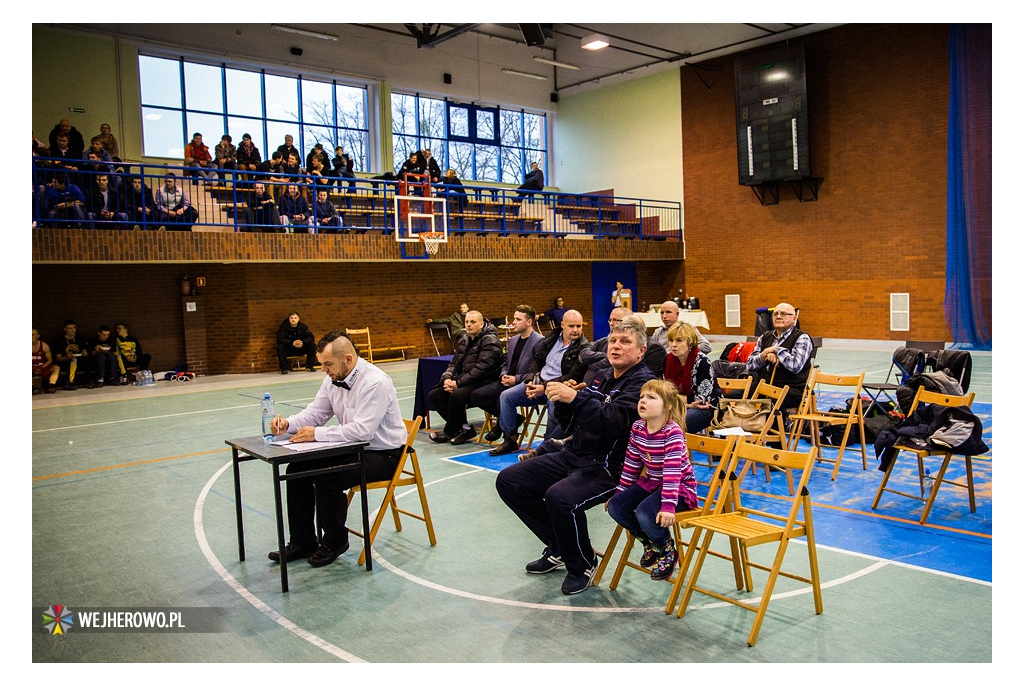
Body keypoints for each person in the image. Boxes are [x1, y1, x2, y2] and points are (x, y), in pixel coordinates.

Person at [494, 319, 655, 595]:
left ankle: (581, 564)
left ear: (641, 351)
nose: (616, 346)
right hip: (575, 455)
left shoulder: (644, 384)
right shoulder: (602, 375)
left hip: (610, 467)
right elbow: (573, 424)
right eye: (613, 340)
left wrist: (576, 399)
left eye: (625, 342)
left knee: (560, 497)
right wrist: (561, 400)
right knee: (510, 480)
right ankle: (559, 546)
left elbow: (615, 422)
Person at [268, 330, 407, 568]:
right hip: (354, 447)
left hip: (384, 454)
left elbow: (363, 432)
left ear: (348, 360)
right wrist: (288, 424)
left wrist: (316, 434)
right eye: (322, 364)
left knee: (328, 476)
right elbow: (317, 413)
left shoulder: (375, 382)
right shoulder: (332, 378)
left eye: (328, 364)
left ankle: (335, 540)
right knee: (296, 468)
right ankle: (303, 541)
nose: (324, 369)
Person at [606, 379, 696, 582]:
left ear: (668, 406)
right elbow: (631, 464)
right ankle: (650, 544)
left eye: (651, 397)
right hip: (653, 483)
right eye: (641, 397)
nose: (643, 401)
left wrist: (667, 506)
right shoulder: (638, 427)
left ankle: (666, 549)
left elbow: (673, 473)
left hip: (679, 489)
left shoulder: (672, 433)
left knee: (646, 512)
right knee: (616, 507)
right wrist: (620, 493)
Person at [490, 310, 588, 456]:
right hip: (537, 382)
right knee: (506, 396)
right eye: (571, 326)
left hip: (558, 388)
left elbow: (573, 375)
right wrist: (529, 380)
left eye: (579, 326)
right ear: (562, 325)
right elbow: (537, 359)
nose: (576, 330)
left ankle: (545, 449)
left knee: (555, 402)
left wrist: (545, 387)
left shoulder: (584, 348)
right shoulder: (551, 337)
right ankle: (510, 439)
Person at [471, 305, 545, 442]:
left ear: (529, 322)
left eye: (518, 319)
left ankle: (506, 432)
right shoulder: (514, 340)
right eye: (514, 318)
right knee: (477, 395)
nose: (514, 322)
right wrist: (503, 375)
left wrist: (515, 379)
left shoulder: (539, 341)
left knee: (503, 397)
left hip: (523, 383)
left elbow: (538, 371)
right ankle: (513, 418)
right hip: (506, 381)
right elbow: (506, 363)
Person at [428, 311, 503, 444]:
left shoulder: (490, 340)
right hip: (467, 381)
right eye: (467, 322)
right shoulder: (465, 339)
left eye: (473, 322)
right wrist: (447, 378)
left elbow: (481, 369)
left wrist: (458, 383)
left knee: (457, 395)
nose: (468, 325)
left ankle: (450, 430)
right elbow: (454, 363)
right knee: (435, 395)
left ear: (481, 324)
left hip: (485, 381)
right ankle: (464, 428)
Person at [745, 302, 813, 410]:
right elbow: (749, 365)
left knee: (767, 406)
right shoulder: (765, 337)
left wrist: (776, 350)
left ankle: (771, 427)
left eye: (784, 314)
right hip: (763, 386)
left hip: (790, 390)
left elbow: (795, 365)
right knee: (730, 398)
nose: (779, 316)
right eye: (775, 314)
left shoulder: (802, 338)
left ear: (794, 318)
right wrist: (764, 356)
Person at [664, 322, 722, 434]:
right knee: (650, 419)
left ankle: (674, 451)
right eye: (671, 340)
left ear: (690, 344)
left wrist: (677, 400)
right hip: (680, 406)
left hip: (708, 407)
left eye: (679, 340)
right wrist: (686, 403)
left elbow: (700, 400)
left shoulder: (702, 362)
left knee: (675, 423)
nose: (673, 345)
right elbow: (665, 393)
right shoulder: (667, 360)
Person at [52, 319, 89, 390]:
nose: (72, 330)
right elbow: (58, 358)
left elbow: (84, 350)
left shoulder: (80, 338)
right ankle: (70, 382)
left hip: (79, 361)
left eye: (74, 328)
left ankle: (89, 380)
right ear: (65, 329)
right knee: (73, 360)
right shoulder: (60, 341)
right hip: (66, 362)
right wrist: (66, 357)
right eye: (70, 328)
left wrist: (85, 353)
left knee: (86, 359)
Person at [32, 328, 55, 394]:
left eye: (32, 335)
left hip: (41, 366)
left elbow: (50, 360)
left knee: (56, 368)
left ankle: (50, 386)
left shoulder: (44, 346)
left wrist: (41, 367)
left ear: (38, 336)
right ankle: (32, 387)